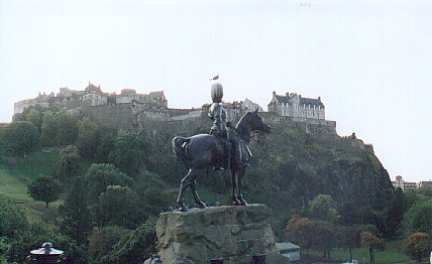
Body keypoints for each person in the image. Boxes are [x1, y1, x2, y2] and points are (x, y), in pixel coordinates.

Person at [208, 79, 230, 170]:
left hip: (213, 129)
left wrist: (227, 123)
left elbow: (211, 117)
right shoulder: (218, 106)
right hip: (219, 129)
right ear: (219, 94)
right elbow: (218, 118)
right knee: (228, 146)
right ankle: (222, 165)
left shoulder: (211, 106)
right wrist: (224, 129)